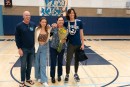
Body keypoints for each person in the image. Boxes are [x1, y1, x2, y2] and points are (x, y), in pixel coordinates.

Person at [15, 11, 36, 87]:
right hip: (23, 49)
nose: (28, 16)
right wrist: (19, 48)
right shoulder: (19, 26)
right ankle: (22, 81)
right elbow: (17, 38)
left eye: (29, 15)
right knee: (23, 65)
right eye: (26, 15)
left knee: (30, 65)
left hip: (31, 49)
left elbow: (39, 30)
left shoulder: (33, 24)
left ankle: (28, 79)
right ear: (23, 16)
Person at [64, 8, 85, 82]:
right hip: (70, 44)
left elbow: (81, 33)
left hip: (78, 44)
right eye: (70, 13)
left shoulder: (79, 22)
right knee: (68, 61)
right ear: (68, 14)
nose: (71, 14)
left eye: (73, 13)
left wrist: (83, 44)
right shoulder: (66, 23)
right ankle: (67, 74)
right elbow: (61, 30)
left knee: (77, 60)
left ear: (74, 14)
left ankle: (76, 74)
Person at [35, 17, 51, 87]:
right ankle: (38, 77)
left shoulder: (48, 29)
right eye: (42, 22)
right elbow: (34, 38)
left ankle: (44, 80)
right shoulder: (36, 29)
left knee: (43, 64)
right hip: (37, 47)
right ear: (40, 22)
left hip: (44, 48)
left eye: (45, 22)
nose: (44, 23)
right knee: (37, 64)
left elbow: (50, 38)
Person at [50, 16, 67, 83]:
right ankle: (53, 76)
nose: (61, 21)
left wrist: (64, 40)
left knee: (60, 62)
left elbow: (66, 38)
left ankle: (59, 75)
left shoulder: (65, 29)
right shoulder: (54, 28)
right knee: (53, 63)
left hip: (61, 48)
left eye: (62, 20)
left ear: (63, 21)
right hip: (53, 48)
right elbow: (50, 35)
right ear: (57, 21)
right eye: (59, 20)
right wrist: (51, 27)